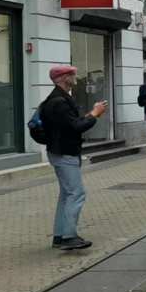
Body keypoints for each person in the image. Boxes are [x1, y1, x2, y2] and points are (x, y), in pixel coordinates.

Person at [42, 65, 107, 250]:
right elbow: (76, 127)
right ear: (63, 78)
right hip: (64, 153)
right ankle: (69, 236)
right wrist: (94, 114)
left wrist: (91, 114)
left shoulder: (58, 99)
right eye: (72, 74)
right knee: (77, 193)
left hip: (60, 151)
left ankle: (59, 235)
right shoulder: (59, 102)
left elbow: (72, 124)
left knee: (66, 195)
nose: (75, 76)